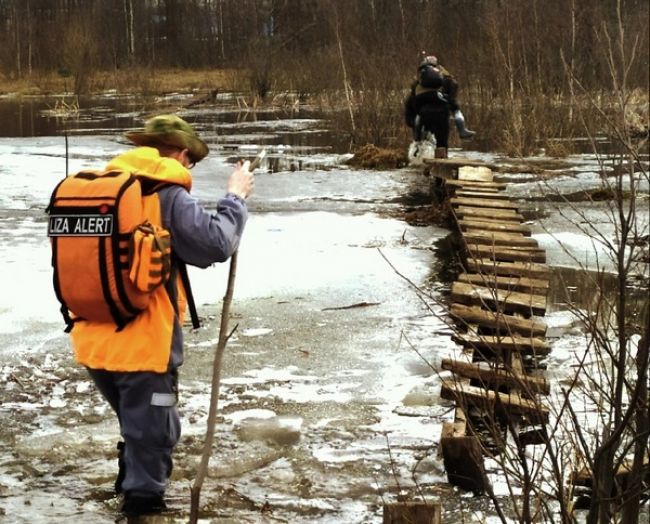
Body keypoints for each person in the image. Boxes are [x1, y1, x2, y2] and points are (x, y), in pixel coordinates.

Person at [66, 114, 254, 516]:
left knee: (139, 430)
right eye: (192, 162)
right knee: (155, 438)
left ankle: (129, 489)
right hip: (144, 348)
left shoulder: (105, 187)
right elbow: (215, 244)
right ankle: (141, 506)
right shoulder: (167, 195)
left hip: (93, 341)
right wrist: (235, 197)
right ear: (183, 154)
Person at [404, 53, 475, 159]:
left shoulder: (418, 84)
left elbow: (411, 104)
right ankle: (442, 164)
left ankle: (418, 161)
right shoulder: (445, 78)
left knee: (421, 142)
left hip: (423, 115)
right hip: (442, 113)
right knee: (442, 143)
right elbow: (453, 90)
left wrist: (411, 122)